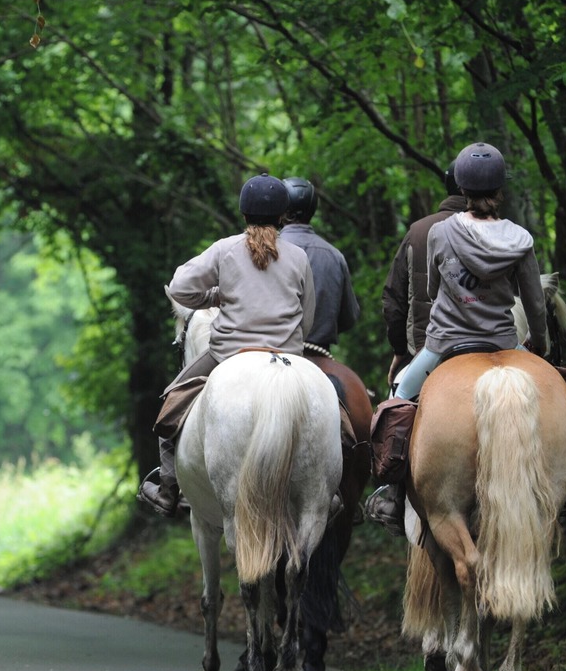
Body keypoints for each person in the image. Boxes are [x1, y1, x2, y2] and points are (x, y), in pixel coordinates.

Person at [365, 142, 550, 533]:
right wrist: (540, 343)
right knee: (557, 395)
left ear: (461, 188)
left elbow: (432, 290)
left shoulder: (440, 232)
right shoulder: (520, 238)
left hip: (444, 345)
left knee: (399, 396)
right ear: (500, 189)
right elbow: (535, 303)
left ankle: (391, 490)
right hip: (504, 342)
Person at [136, 172, 316, 518]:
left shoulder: (225, 249)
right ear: (283, 216)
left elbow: (179, 288)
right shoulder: (298, 256)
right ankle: (330, 491)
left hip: (227, 354)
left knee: (171, 403)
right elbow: (307, 318)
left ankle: (168, 489)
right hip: (287, 358)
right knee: (334, 414)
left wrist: (213, 297)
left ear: (244, 214)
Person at [381, 163, 467, 390]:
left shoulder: (419, 231)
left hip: (428, 350)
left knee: (397, 404)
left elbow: (393, 301)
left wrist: (400, 350)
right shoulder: (502, 232)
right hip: (494, 347)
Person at [278, 177, 361, 356]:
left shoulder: (265, 250)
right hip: (319, 351)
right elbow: (349, 317)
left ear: (281, 210)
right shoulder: (334, 255)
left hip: (277, 350)